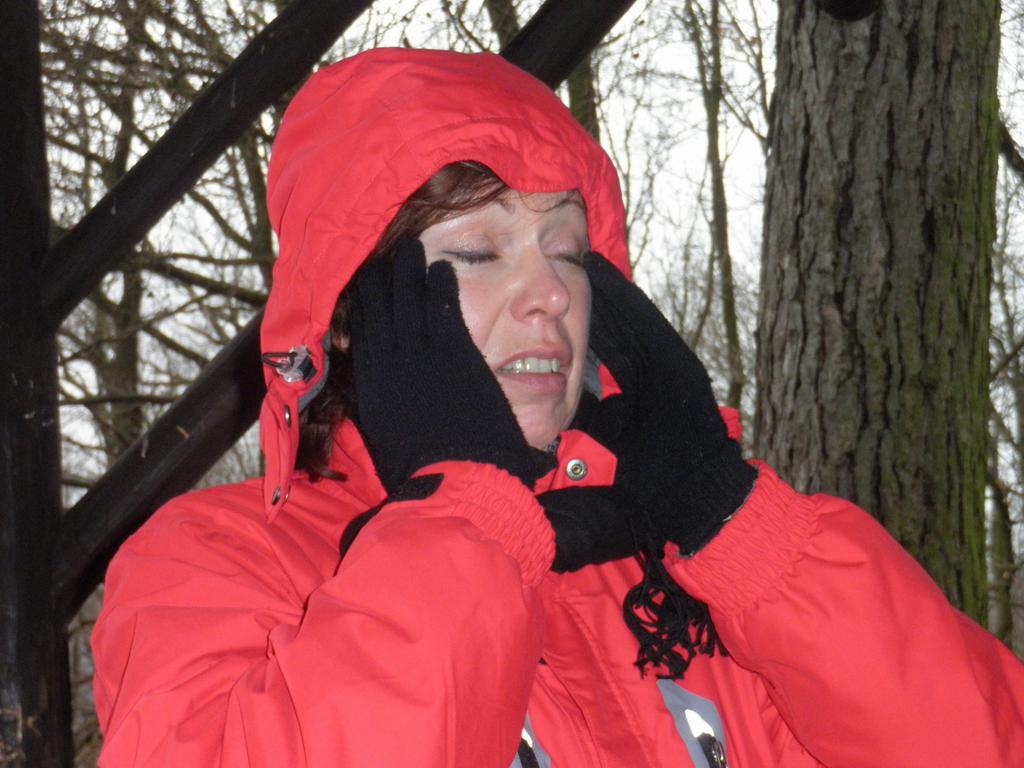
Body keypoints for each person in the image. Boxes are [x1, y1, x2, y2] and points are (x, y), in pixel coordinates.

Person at [91, 48, 1024, 767]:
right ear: (352, 313)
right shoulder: (215, 566)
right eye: (478, 252)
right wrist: (456, 529)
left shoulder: (677, 567)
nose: (550, 295)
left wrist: (742, 530)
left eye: (570, 252)